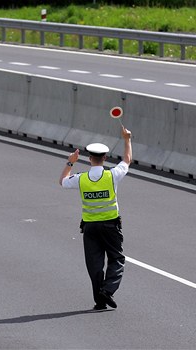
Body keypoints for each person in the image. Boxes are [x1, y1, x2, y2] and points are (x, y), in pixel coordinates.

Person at [59, 126, 132, 310]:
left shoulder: (81, 179)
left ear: (89, 158)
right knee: (116, 259)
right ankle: (107, 291)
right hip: (110, 226)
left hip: (90, 228)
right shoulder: (112, 175)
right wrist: (127, 139)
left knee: (95, 264)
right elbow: (127, 160)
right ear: (105, 158)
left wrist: (70, 162)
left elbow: (62, 181)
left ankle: (99, 301)